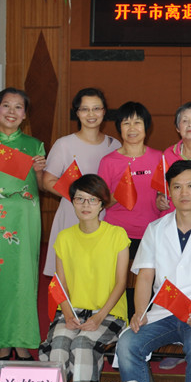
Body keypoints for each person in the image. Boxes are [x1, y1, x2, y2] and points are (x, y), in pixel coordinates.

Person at [116, 160, 191, 382]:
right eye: (177, 187)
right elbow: (145, 276)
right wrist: (140, 311)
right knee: (127, 343)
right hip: (163, 311)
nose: (184, 193)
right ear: (169, 191)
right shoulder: (155, 229)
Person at [0, 87, 46, 361]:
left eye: (18, 107)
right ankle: (0, 341)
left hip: (26, 219)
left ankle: (22, 341)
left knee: (25, 277)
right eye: (6, 105)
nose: (11, 112)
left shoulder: (35, 145)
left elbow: (40, 186)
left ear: (25, 114)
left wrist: (39, 170)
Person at [38, 174, 129, 382]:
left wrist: (99, 317)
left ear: (102, 204)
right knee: (58, 345)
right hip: (72, 311)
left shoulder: (117, 235)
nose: (86, 205)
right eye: (80, 199)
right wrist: (68, 315)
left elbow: (121, 283)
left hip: (108, 313)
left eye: (92, 199)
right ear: (72, 202)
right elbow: (60, 285)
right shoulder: (64, 237)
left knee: (82, 344)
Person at [41, 87, 121, 277]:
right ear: (77, 113)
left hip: (103, 216)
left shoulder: (115, 145)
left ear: (104, 111)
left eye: (96, 108)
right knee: (70, 273)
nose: (91, 114)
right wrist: (79, 197)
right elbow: (47, 181)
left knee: (99, 274)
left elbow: (119, 186)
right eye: (85, 109)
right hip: (72, 214)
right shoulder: (64, 144)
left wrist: (105, 201)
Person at [97, 101, 162, 255]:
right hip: (116, 232)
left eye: (137, 122)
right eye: (126, 123)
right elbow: (100, 202)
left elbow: (163, 193)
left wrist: (162, 200)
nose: (132, 128)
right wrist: (120, 194)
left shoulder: (159, 157)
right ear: (119, 128)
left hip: (152, 232)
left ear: (146, 126)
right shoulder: (108, 161)